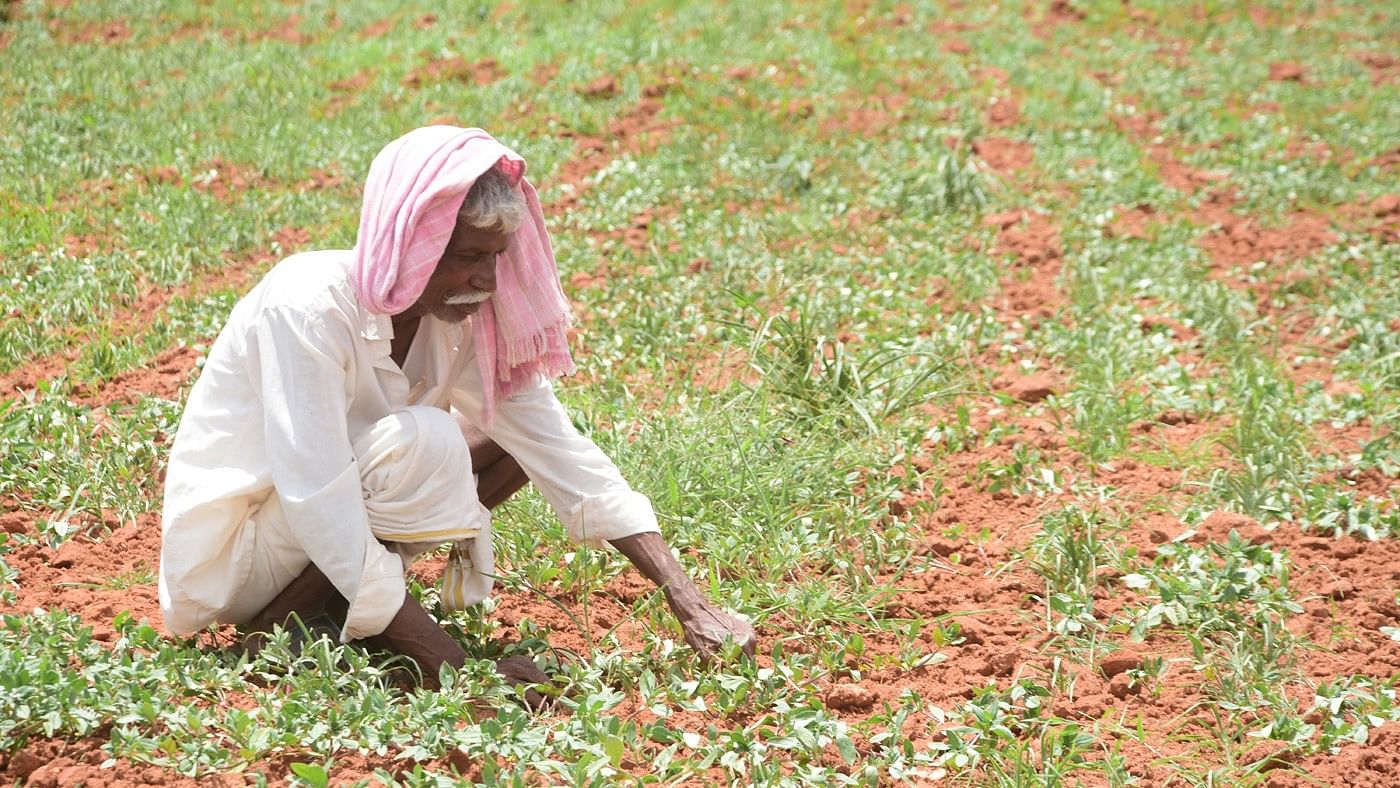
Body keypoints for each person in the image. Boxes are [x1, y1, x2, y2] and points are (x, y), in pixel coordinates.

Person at [158, 126, 756, 695]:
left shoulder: (451, 319)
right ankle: (283, 623)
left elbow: (559, 450)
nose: (488, 280)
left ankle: (344, 612)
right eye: (471, 255)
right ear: (414, 242)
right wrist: (457, 666)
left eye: (497, 257)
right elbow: (316, 494)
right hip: (240, 558)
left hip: (318, 530)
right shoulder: (306, 308)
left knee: (513, 444)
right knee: (427, 440)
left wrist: (690, 601)